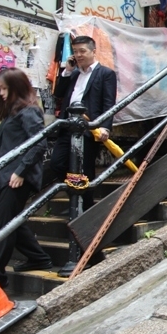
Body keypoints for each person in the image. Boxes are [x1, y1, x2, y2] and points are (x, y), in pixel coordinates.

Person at [0, 68, 53, 289]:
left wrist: (20, 171)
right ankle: (39, 257)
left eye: (4, 88)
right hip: (5, 175)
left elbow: (39, 144)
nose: (0, 93)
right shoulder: (13, 112)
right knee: (9, 220)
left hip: (17, 176)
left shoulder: (28, 111)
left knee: (3, 224)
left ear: (16, 87)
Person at [50, 35, 117, 212]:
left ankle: (85, 208)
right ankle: (76, 198)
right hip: (68, 126)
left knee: (85, 169)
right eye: (75, 51)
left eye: (82, 51)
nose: (78, 55)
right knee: (57, 163)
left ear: (93, 51)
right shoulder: (74, 73)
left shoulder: (106, 74)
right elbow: (58, 93)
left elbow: (109, 103)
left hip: (89, 129)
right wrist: (67, 71)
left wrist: (104, 127)